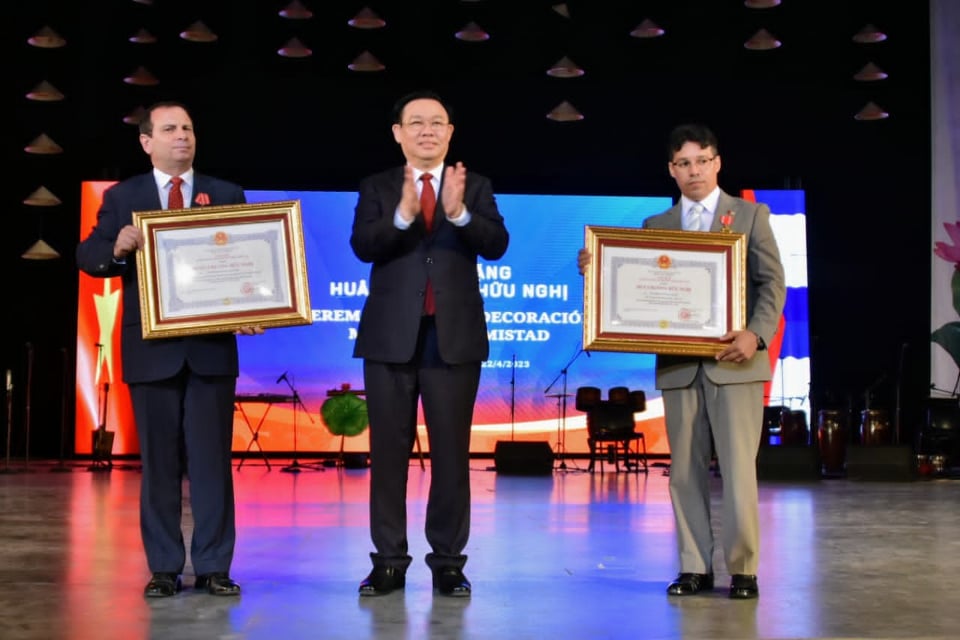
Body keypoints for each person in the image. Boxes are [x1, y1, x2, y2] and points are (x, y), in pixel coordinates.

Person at [578, 123, 785, 599]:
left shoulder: (751, 215)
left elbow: (773, 285)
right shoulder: (656, 227)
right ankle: (694, 567)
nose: (695, 170)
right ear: (672, 170)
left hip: (736, 363)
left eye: (703, 160)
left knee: (738, 471)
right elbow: (629, 288)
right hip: (678, 367)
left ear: (718, 163)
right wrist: (596, 269)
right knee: (684, 473)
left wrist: (756, 334)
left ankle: (744, 569)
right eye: (684, 163)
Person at [77, 101, 261, 598]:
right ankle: (163, 567)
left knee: (211, 465)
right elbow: (88, 256)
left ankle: (214, 566)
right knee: (158, 466)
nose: (182, 135)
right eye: (170, 128)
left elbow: (250, 261)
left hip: (210, 351)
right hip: (151, 350)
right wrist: (116, 247)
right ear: (146, 141)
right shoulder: (123, 196)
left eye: (188, 128)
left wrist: (257, 305)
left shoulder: (225, 193)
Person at [350, 90, 510, 597]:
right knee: (388, 455)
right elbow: (362, 246)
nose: (426, 131)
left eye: (437, 122)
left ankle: (447, 563)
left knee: (450, 455)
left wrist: (460, 214)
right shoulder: (377, 187)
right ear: (397, 132)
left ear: (450, 133)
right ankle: (389, 562)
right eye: (415, 123)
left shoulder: (476, 186)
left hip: (453, 340)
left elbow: (497, 244)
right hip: (389, 339)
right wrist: (399, 217)